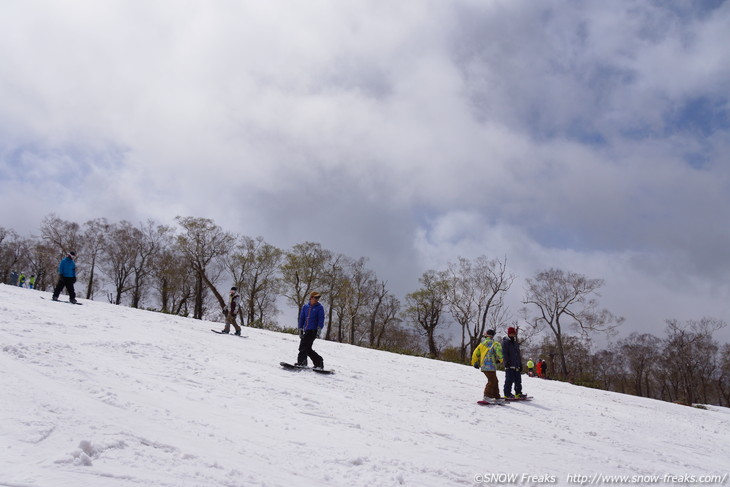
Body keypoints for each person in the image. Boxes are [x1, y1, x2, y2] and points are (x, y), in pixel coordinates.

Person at [471, 329, 504, 404]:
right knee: (492, 381)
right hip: (491, 365)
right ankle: (487, 396)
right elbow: (499, 352)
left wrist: (475, 362)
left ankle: (496, 397)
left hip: (484, 365)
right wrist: (500, 360)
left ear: (486, 335)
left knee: (494, 381)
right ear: (493, 335)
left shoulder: (482, 344)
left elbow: (475, 353)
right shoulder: (495, 344)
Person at [297, 291, 325, 369]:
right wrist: (300, 329)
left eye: (318, 298)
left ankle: (302, 362)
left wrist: (319, 328)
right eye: (315, 297)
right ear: (311, 297)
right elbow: (302, 318)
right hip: (306, 330)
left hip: (313, 330)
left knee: (303, 347)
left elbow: (321, 318)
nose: (317, 299)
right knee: (307, 348)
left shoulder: (319, 307)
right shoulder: (305, 307)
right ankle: (319, 362)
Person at [502, 326, 525, 398]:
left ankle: (518, 393)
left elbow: (518, 355)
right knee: (509, 380)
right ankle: (507, 394)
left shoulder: (515, 343)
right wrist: (506, 362)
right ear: (508, 334)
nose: (512, 335)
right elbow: (504, 353)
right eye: (511, 334)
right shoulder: (505, 342)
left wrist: (520, 364)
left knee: (518, 380)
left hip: (516, 365)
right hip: (509, 365)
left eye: (513, 334)